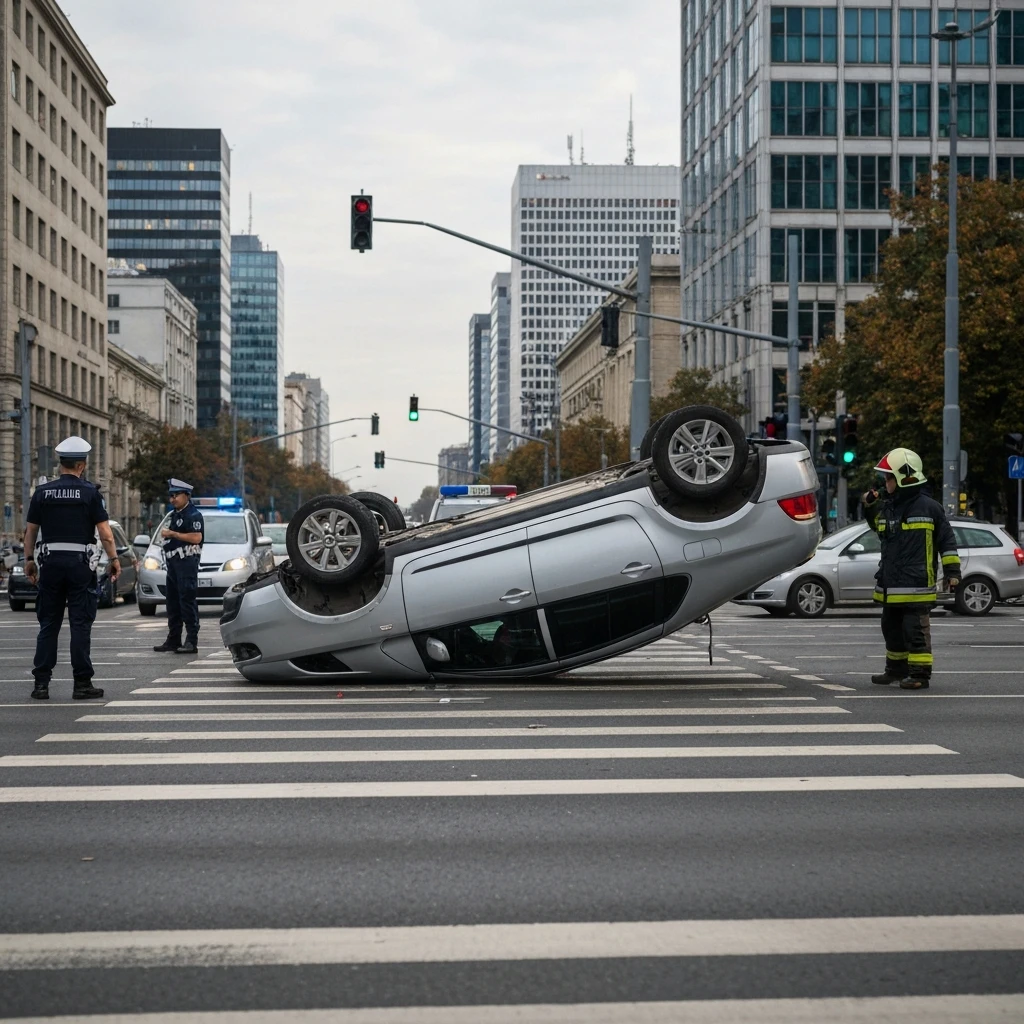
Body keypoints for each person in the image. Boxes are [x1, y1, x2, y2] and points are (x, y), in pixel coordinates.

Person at [23, 436, 120, 701]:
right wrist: (113, 560)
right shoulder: (90, 493)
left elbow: (30, 531)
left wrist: (29, 560)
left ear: (61, 463)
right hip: (79, 567)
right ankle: (82, 684)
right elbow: (106, 533)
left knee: (48, 625)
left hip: (50, 564)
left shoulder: (42, 493)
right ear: (82, 464)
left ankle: (41, 684)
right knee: (80, 625)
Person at [862, 448, 961, 690]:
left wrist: (953, 573)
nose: (885, 483)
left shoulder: (930, 507)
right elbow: (877, 528)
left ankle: (919, 674)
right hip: (891, 583)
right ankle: (895, 670)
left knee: (914, 630)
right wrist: (868, 506)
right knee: (891, 628)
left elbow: (947, 541)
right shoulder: (889, 507)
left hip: (916, 584)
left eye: (888, 477)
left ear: (905, 476)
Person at [153, 479, 205, 655]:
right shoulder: (174, 515)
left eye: (176, 495)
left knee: (187, 601)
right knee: (172, 602)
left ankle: (191, 640)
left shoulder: (193, 515)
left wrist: (173, 534)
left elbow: (197, 538)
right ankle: (173, 639)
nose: (173, 499)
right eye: (171, 495)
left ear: (186, 495)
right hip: (173, 564)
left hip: (187, 564)